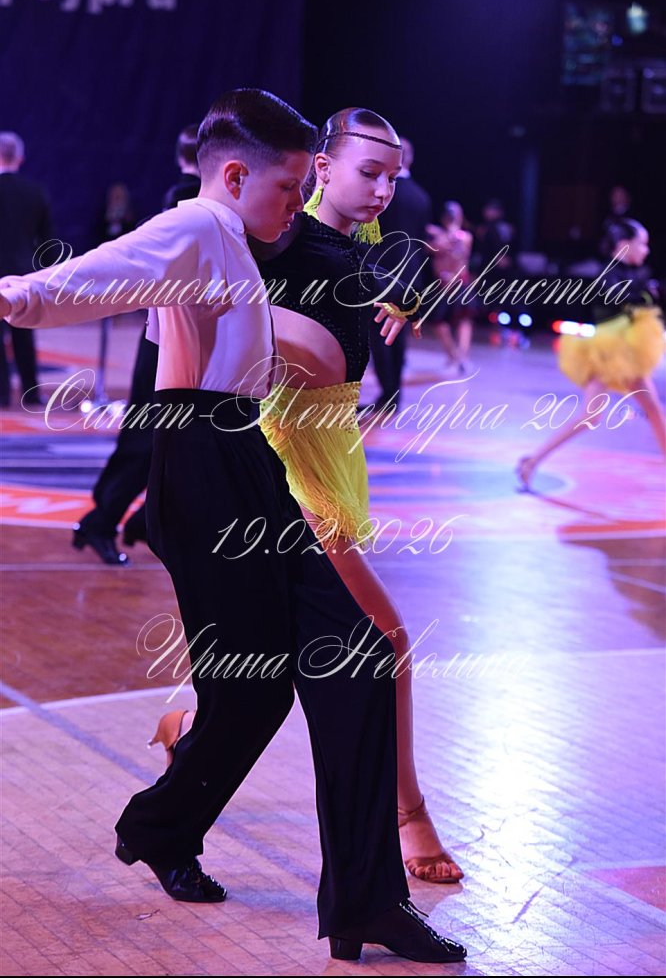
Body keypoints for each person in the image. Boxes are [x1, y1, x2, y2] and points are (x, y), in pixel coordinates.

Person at [0, 89, 465, 964]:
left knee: (329, 667)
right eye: (289, 188)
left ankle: (350, 894)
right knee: (281, 679)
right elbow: (86, 278)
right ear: (238, 176)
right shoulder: (199, 225)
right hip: (202, 465)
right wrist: (16, 294)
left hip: (238, 454)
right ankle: (178, 830)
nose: (298, 204)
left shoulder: (237, 239)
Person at [152, 108, 465, 887]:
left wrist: (400, 299)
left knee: (281, 660)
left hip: (332, 450)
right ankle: (409, 815)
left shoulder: (356, 240)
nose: (385, 189)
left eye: (394, 176)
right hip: (290, 461)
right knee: (381, 640)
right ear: (321, 170)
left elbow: (374, 280)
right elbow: (205, 303)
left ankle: (189, 733)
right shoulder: (277, 237)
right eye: (369, 173)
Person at [72, 125, 201, 565]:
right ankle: (102, 521)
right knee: (150, 438)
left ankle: (143, 520)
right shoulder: (191, 204)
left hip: (171, 341)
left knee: (179, 441)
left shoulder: (177, 201)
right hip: (173, 343)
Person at [516, 218, 665, 490]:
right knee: (600, 415)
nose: (646, 250)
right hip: (609, 353)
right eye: (642, 244)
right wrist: (645, 292)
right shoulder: (609, 274)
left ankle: (532, 461)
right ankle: (532, 461)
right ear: (624, 245)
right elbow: (619, 297)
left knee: (636, 412)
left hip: (626, 352)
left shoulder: (634, 274)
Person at [367, 136, 433, 410]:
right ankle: (394, 394)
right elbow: (422, 240)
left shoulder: (381, 192)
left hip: (382, 271)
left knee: (379, 334)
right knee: (398, 334)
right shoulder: (421, 196)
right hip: (412, 274)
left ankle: (387, 394)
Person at [0, 131, 54, 408]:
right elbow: (47, 241)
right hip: (24, 274)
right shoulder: (35, 192)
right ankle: (31, 393)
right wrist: (46, 273)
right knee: (24, 333)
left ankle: (1, 394)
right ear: (20, 158)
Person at [426, 201, 475, 375]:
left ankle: (462, 358)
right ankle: (454, 356)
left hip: (460, 282)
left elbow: (460, 250)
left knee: (463, 319)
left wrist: (446, 235)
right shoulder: (437, 236)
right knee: (438, 321)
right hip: (442, 285)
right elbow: (431, 248)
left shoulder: (464, 237)